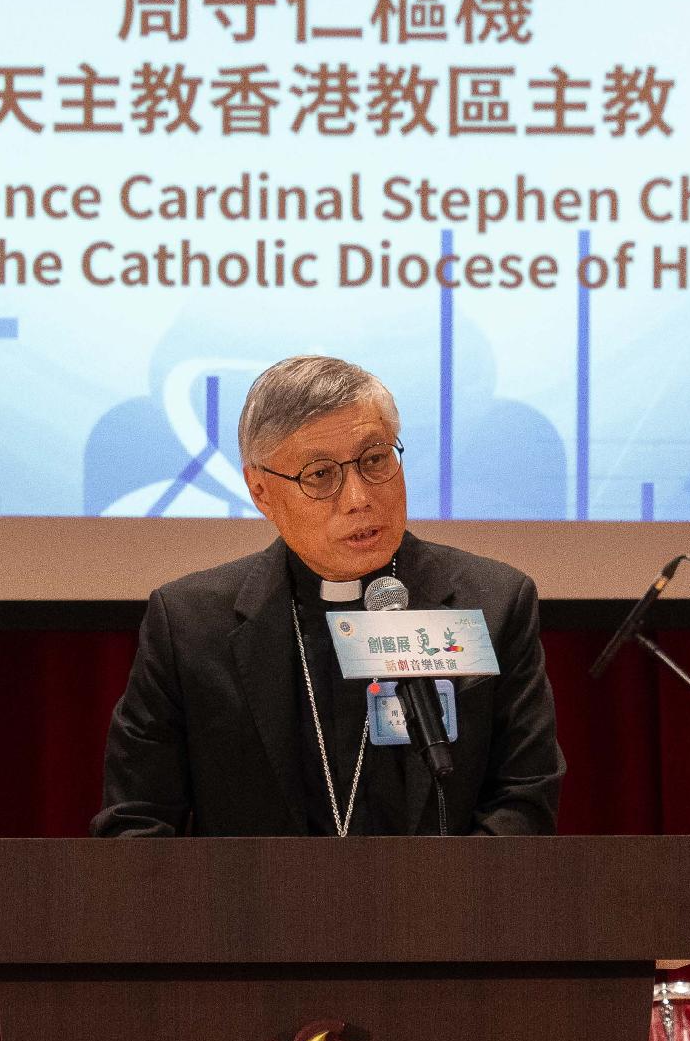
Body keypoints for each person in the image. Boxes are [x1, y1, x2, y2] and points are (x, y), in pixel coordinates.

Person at [95, 355, 563, 837]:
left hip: (443, 907)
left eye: (375, 460)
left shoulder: (492, 604)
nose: (359, 497)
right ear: (260, 491)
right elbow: (136, 821)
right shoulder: (192, 626)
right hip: (250, 911)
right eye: (320, 475)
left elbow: (522, 800)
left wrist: (440, 905)